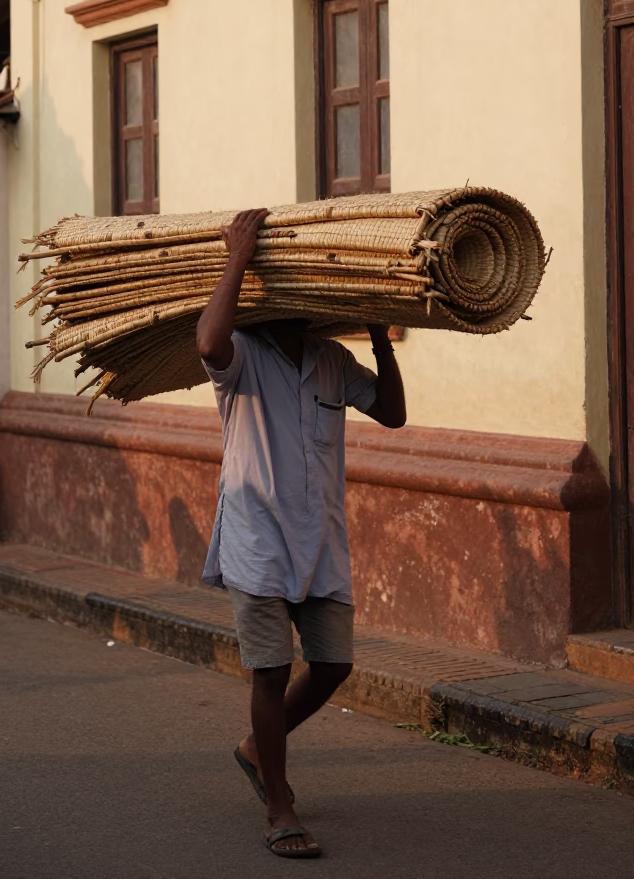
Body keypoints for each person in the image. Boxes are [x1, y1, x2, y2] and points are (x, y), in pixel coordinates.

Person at [196, 208, 406, 859]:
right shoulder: (242, 360)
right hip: (257, 534)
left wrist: (378, 335)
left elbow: (393, 414)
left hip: (320, 539)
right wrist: (238, 256)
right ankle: (280, 806)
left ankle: (260, 748)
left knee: (334, 664)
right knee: (269, 670)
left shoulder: (330, 362)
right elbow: (206, 343)